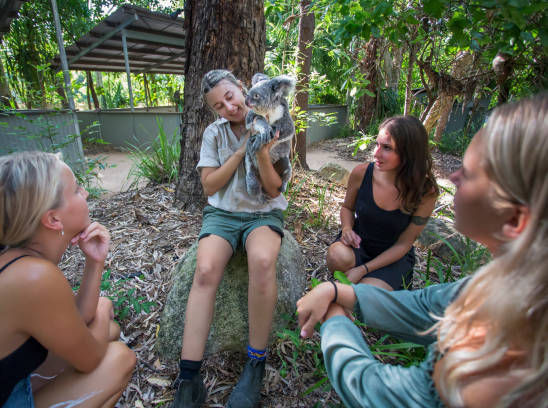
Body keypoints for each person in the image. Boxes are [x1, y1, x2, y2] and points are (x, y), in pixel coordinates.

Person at [296, 93, 547, 407]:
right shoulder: (508, 283)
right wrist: (337, 291)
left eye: (468, 174)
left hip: (388, 262)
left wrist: (334, 318)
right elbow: (423, 305)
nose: (454, 177)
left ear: (513, 219)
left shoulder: (497, 355)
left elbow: (380, 393)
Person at [0, 151, 137, 407]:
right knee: (119, 358)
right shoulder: (34, 277)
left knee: (110, 329)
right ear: (53, 219)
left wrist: (95, 261)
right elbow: (90, 359)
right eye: (76, 190)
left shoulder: (4, 256)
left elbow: (78, 319)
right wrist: (104, 306)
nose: (85, 193)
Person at [171, 70, 287, 408]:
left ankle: (255, 364)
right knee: (205, 270)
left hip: (262, 212)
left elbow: (274, 188)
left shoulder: (275, 120)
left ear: (241, 88)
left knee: (262, 261)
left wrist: (262, 151)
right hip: (222, 214)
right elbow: (209, 186)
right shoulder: (213, 133)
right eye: (219, 105)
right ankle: (189, 378)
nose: (229, 107)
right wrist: (241, 151)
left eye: (231, 96)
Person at [326, 115, 439, 291]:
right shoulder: (361, 173)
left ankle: (373, 283)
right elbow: (347, 208)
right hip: (359, 247)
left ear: (409, 153)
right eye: (377, 144)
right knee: (336, 256)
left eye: (387, 148)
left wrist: (363, 270)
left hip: (393, 258)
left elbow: (404, 244)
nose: (376, 153)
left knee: (367, 294)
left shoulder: (425, 191)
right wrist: (347, 229)